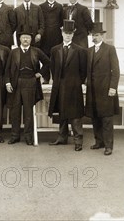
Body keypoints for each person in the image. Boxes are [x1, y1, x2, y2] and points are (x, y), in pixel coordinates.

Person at [47, 20, 87, 151]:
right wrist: (58, 81)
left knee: (75, 115)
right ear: (62, 33)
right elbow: (53, 68)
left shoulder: (80, 50)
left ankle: (78, 141)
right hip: (60, 86)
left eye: (70, 33)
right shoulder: (55, 50)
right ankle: (62, 138)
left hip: (74, 86)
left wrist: (76, 82)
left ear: (73, 34)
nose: (68, 35)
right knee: (62, 112)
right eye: (66, 33)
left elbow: (83, 70)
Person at [4, 31, 50, 145]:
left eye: (28, 38)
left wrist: (40, 73)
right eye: (23, 38)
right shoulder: (13, 52)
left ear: (31, 40)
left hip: (31, 82)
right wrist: (7, 83)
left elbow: (48, 63)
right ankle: (15, 136)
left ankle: (28, 137)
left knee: (29, 111)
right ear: (20, 39)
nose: (25, 40)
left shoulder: (36, 51)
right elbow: (7, 69)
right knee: (15, 111)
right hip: (16, 83)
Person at [85, 22, 120, 156]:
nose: (95, 37)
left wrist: (113, 87)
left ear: (102, 36)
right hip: (92, 90)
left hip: (106, 89)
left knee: (106, 119)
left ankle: (108, 146)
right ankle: (99, 142)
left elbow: (116, 70)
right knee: (95, 117)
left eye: (97, 35)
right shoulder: (89, 51)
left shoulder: (110, 49)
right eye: (93, 35)